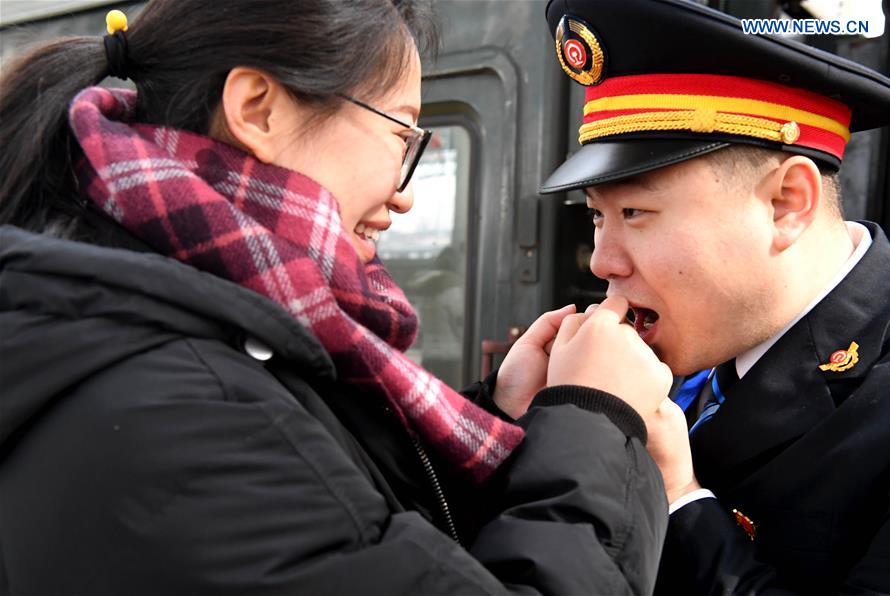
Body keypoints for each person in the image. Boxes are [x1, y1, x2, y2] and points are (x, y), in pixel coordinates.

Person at [0, 1, 673, 594]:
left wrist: (495, 408)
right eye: (400, 133)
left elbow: (357, 528)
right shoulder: (181, 402)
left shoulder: (169, 324)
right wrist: (596, 419)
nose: (404, 192)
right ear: (257, 109)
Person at [538, 0, 890, 593]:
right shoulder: (690, 350)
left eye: (636, 211)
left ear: (787, 204)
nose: (603, 260)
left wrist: (680, 500)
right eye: (599, 216)